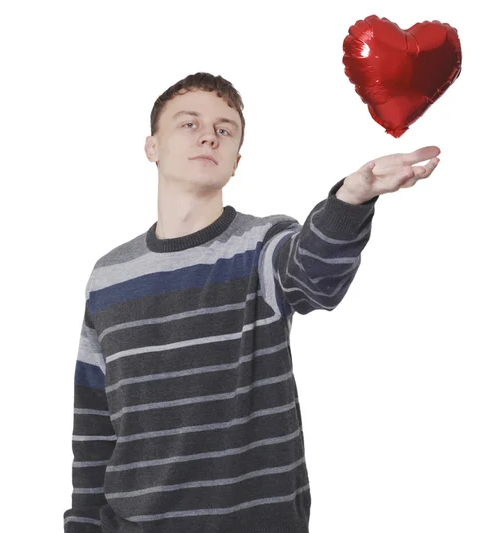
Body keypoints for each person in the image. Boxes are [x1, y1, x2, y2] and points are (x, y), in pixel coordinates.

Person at [63, 72, 440, 533]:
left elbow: (315, 275)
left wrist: (351, 199)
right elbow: (94, 424)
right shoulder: (109, 276)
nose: (209, 135)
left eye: (225, 129)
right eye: (189, 124)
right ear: (152, 147)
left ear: (236, 160)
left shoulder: (261, 246)